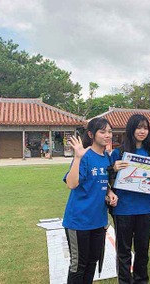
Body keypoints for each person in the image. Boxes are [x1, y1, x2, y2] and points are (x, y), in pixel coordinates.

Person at [110, 114, 150, 284]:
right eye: (138, 127)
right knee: (124, 251)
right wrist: (113, 168)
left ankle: (141, 280)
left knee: (143, 250)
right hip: (123, 210)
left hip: (144, 209)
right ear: (131, 129)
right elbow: (107, 182)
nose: (142, 131)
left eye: (145, 128)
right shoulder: (118, 152)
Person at [62, 117, 118, 284]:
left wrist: (110, 192)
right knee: (78, 265)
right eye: (102, 132)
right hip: (79, 220)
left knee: (92, 262)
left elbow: (101, 181)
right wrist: (78, 157)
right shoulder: (84, 156)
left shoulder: (106, 157)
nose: (107, 135)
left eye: (109, 131)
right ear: (91, 134)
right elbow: (72, 184)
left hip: (98, 220)